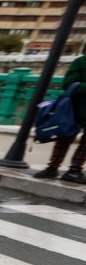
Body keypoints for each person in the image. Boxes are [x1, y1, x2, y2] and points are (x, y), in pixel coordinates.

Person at [33, 54, 86, 183]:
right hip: (75, 107)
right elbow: (69, 84)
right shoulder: (81, 61)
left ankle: (75, 170)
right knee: (64, 136)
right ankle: (52, 167)